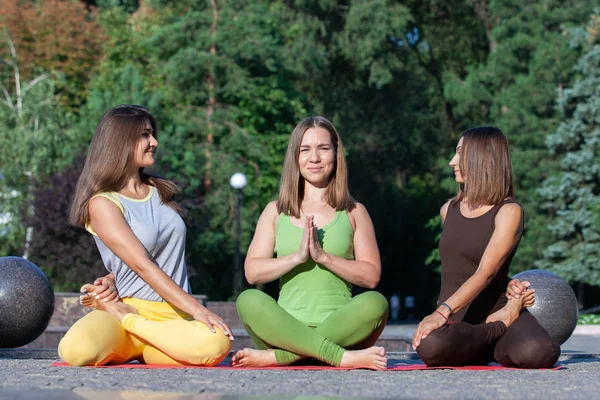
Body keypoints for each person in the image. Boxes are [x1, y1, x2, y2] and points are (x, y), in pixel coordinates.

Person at [58, 105, 233, 367]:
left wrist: (112, 276)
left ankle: (143, 343)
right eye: (145, 135)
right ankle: (128, 323)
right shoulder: (103, 204)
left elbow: (156, 252)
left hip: (173, 315)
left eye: (152, 134)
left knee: (216, 343)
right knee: (76, 350)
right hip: (129, 308)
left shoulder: (160, 191)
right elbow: (141, 263)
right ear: (120, 142)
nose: (154, 142)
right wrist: (198, 309)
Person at [232, 116, 389, 370]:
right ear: (295, 157)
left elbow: (371, 276)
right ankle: (338, 357)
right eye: (305, 150)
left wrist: (323, 257)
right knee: (248, 299)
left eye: (323, 148)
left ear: (336, 154)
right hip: (283, 331)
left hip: (342, 330)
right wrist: (297, 257)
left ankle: (281, 357)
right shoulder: (275, 211)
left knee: (376, 302)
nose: (314, 158)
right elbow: (252, 272)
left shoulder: (354, 211)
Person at [413, 126, 560, 368]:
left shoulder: (508, 211)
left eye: (460, 154)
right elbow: (464, 262)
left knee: (538, 352)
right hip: (461, 319)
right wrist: (447, 314)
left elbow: (486, 271)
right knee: (430, 345)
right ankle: (497, 328)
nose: (452, 162)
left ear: (481, 158)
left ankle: (495, 331)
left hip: (495, 307)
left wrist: (441, 311)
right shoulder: (447, 210)